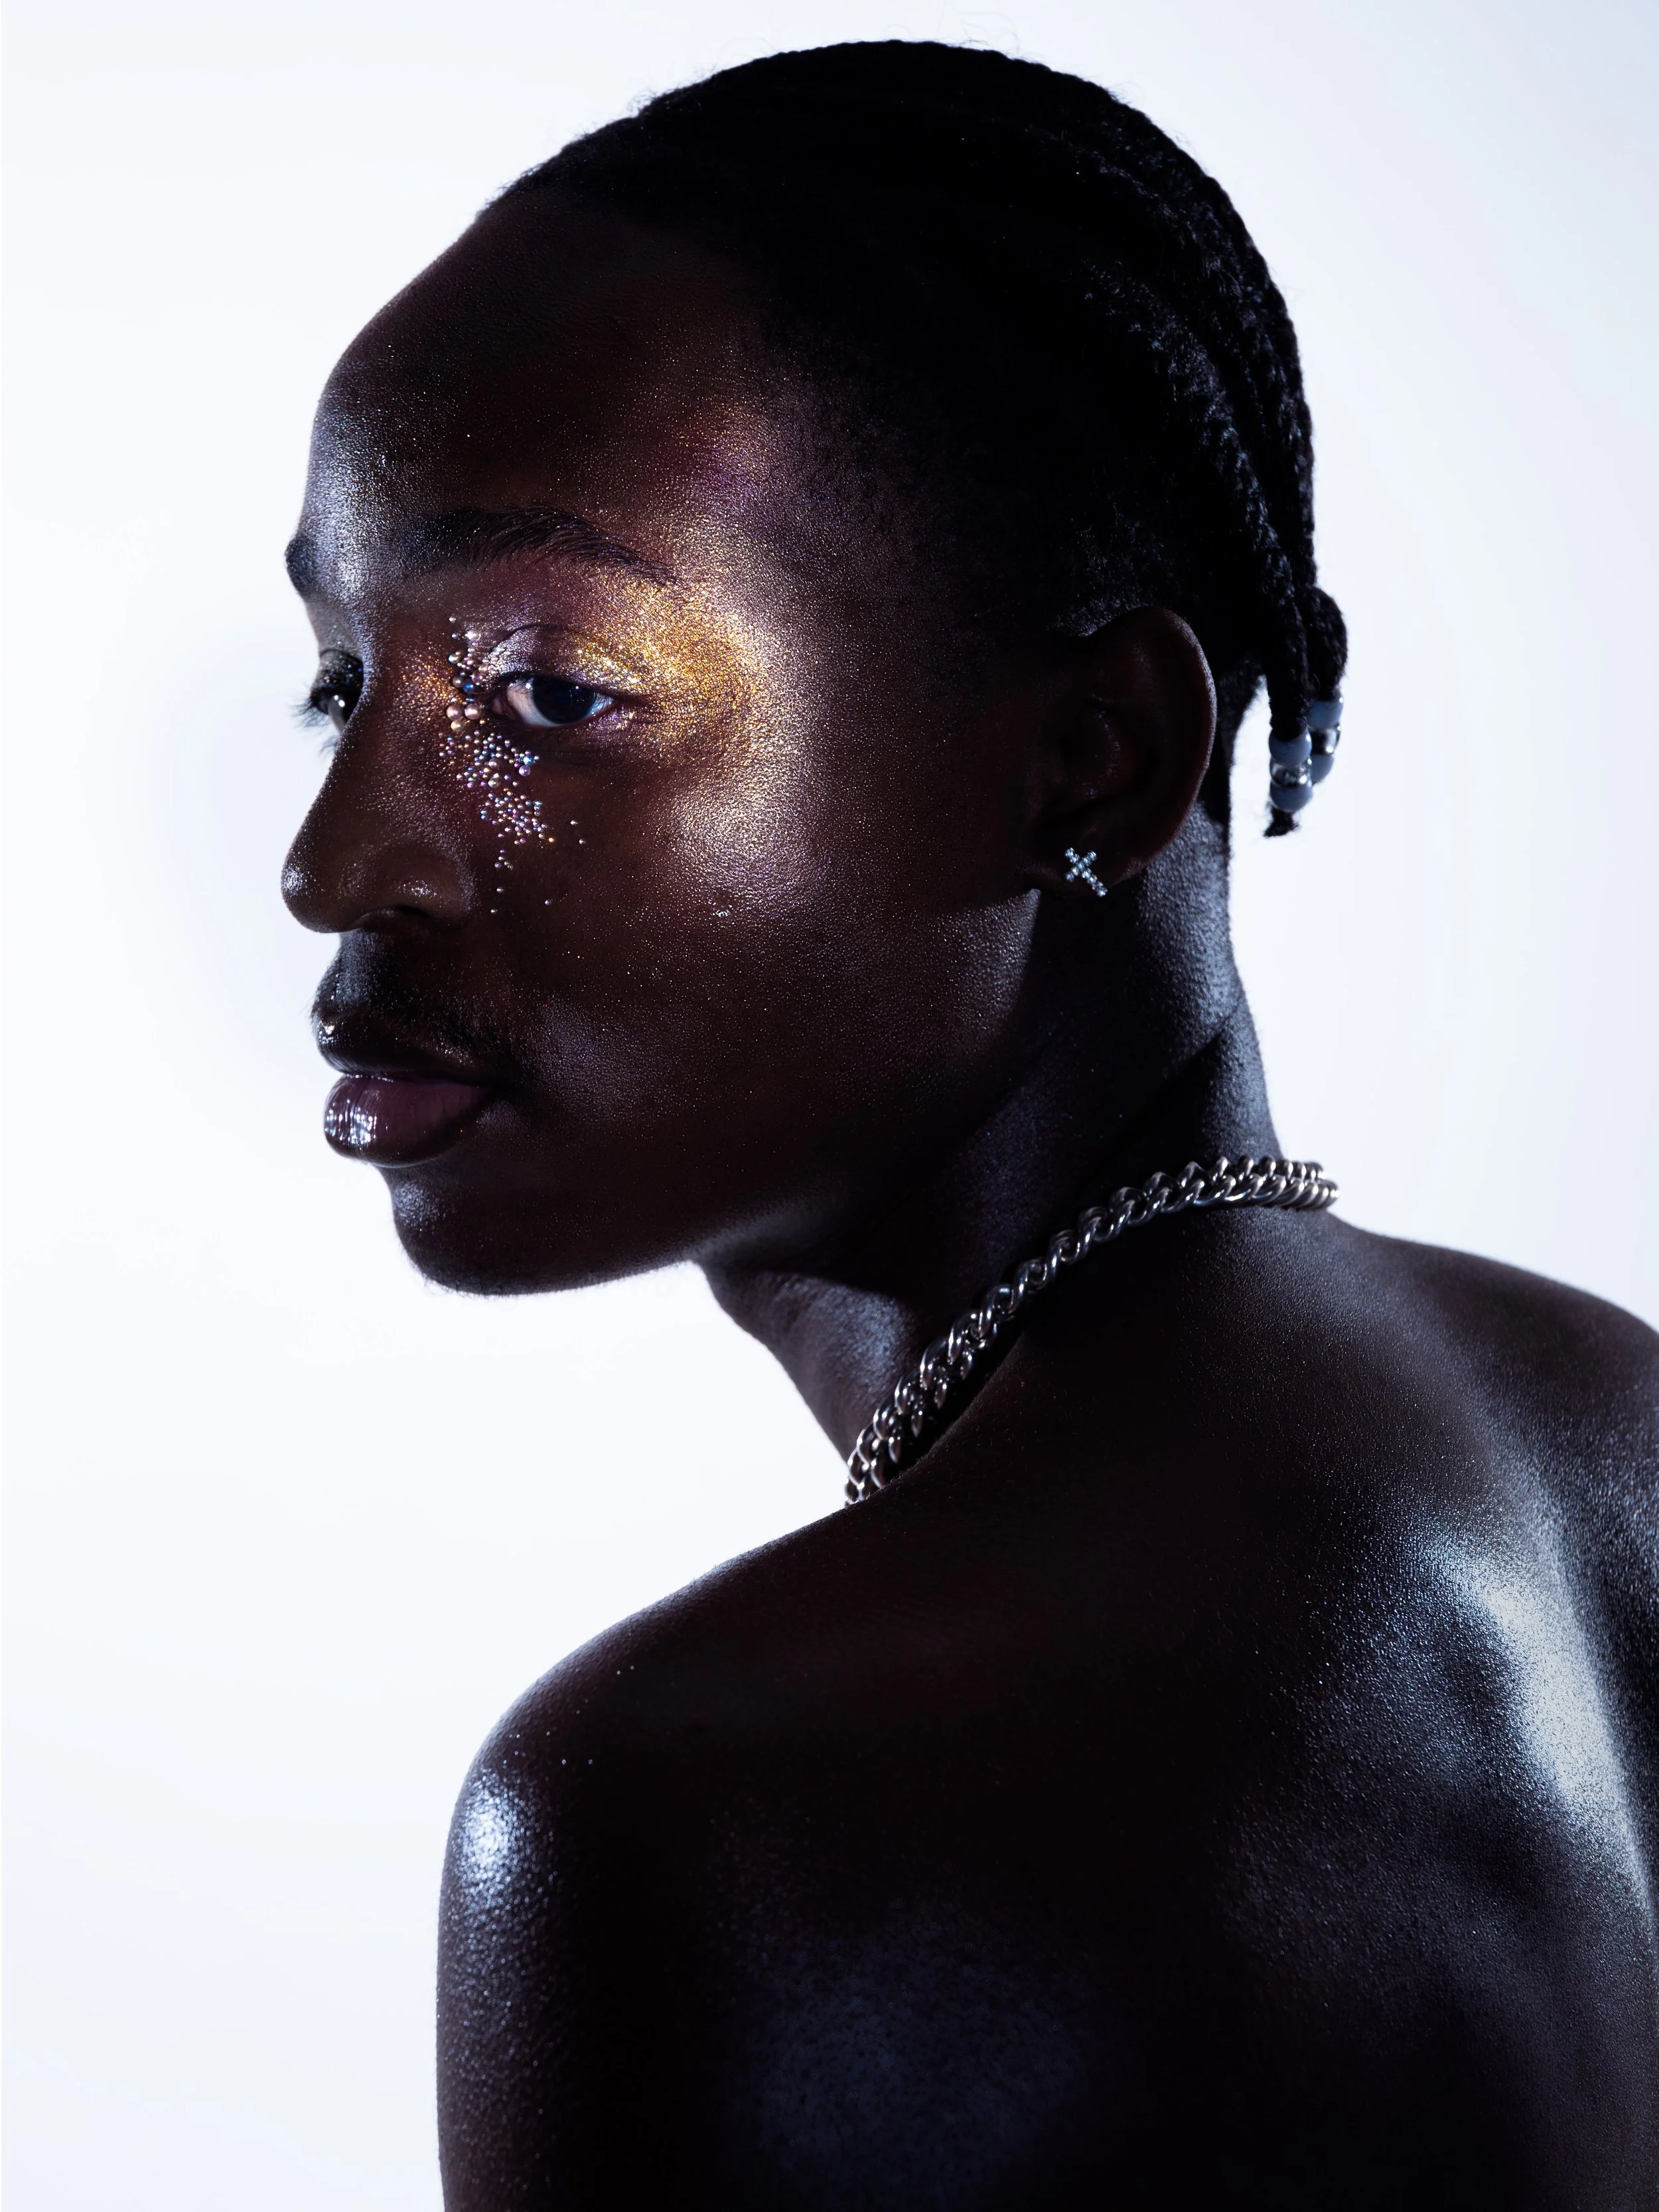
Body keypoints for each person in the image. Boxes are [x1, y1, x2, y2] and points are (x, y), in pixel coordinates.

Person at [281, 40, 1659, 2207]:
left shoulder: (706, 1793)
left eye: (550, 692)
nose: (339, 858)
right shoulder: (1618, 1438)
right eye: (343, 683)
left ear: (1089, 760)